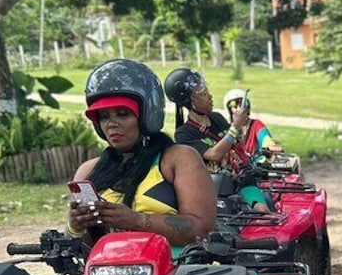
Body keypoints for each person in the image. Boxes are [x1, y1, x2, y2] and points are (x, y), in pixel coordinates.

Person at [68, 59, 216, 250]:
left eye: (122, 114)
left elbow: (201, 229)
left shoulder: (178, 158)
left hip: (175, 274)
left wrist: (137, 221)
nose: (111, 123)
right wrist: (75, 227)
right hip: (105, 273)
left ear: (148, 113)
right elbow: (75, 250)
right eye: (103, 117)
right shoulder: (88, 171)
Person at [163, 68, 271, 212]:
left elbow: (234, 141)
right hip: (213, 190)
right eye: (203, 93)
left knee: (261, 210)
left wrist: (239, 127)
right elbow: (214, 154)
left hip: (241, 180)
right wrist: (235, 126)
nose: (210, 96)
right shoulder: (184, 133)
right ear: (190, 101)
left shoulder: (217, 118)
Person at [223, 88, 283, 155]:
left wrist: (271, 145)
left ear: (248, 109)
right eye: (235, 106)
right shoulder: (226, 129)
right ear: (229, 111)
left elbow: (265, 137)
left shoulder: (256, 125)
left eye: (243, 105)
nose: (240, 109)